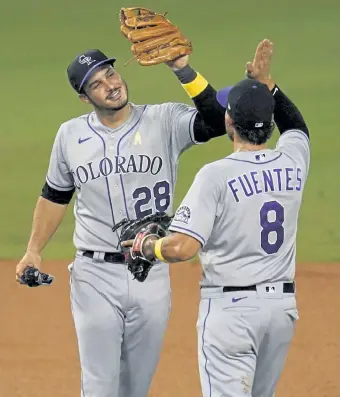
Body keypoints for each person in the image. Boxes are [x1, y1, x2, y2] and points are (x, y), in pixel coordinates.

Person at [15, 47, 226, 397]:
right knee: (100, 385)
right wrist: (33, 250)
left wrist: (182, 70)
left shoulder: (164, 120)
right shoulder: (70, 136)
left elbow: (217, 122)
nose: (110, 85)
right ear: (85, 98)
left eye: (110, 74)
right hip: (94, 275)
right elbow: (54, 196)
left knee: (135, 387)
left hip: (152, 271)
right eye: (97, 84)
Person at [122, 39, 310, 397]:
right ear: (268, 123)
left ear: (229, 121)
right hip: (281, 312)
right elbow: (297, 126)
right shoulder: (293, 161)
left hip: (232, 314)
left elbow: (182, 247)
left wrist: (149, 246)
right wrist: (269, 84)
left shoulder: (215, 175)